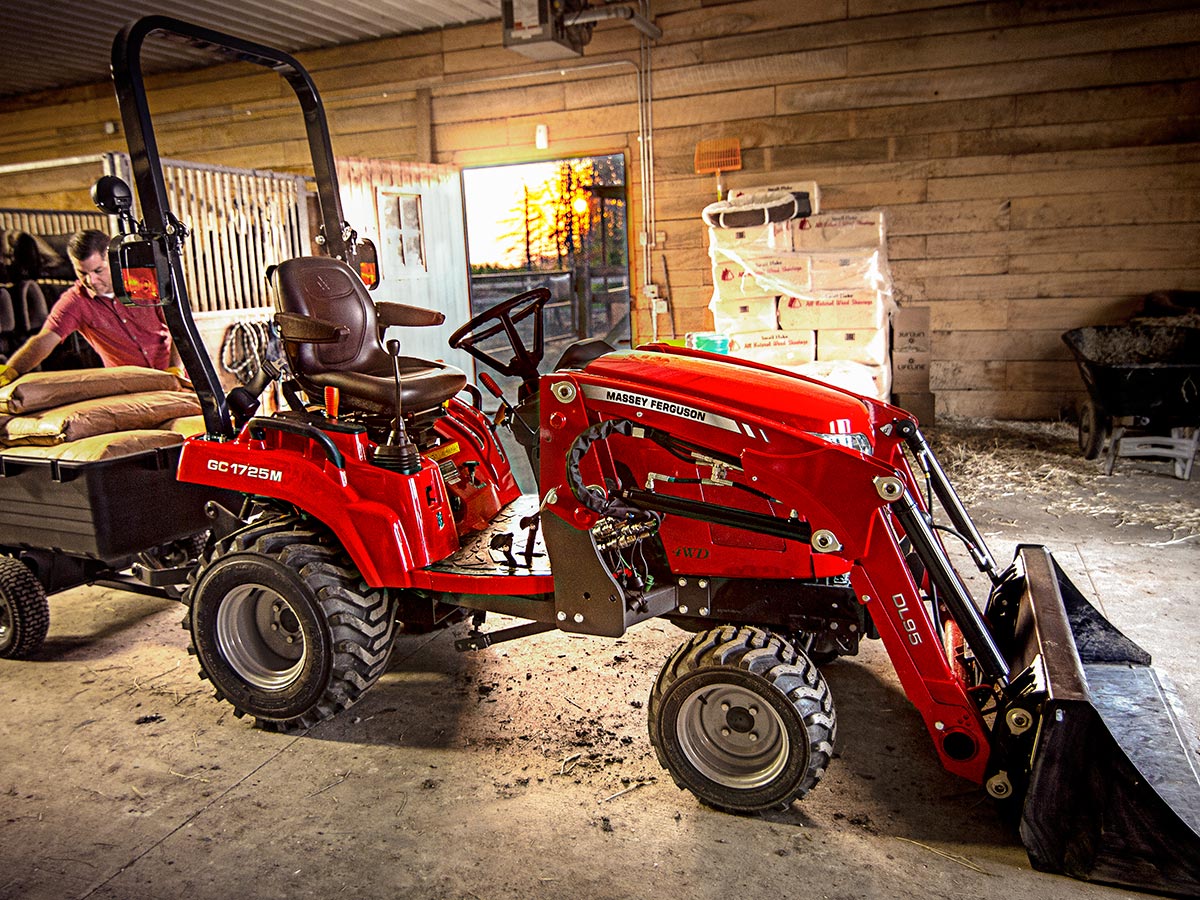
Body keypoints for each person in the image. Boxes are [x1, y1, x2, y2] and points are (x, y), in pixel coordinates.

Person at [0, 229, 180, 387]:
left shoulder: (145, 282)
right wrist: (10, 371)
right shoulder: (75, 301)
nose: (91, 281)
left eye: (98, 271)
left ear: (114, 261)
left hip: (176, 376)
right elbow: (43, 341)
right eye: (82, 273)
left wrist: (175, 369)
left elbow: (180, 330)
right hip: (131, 387)